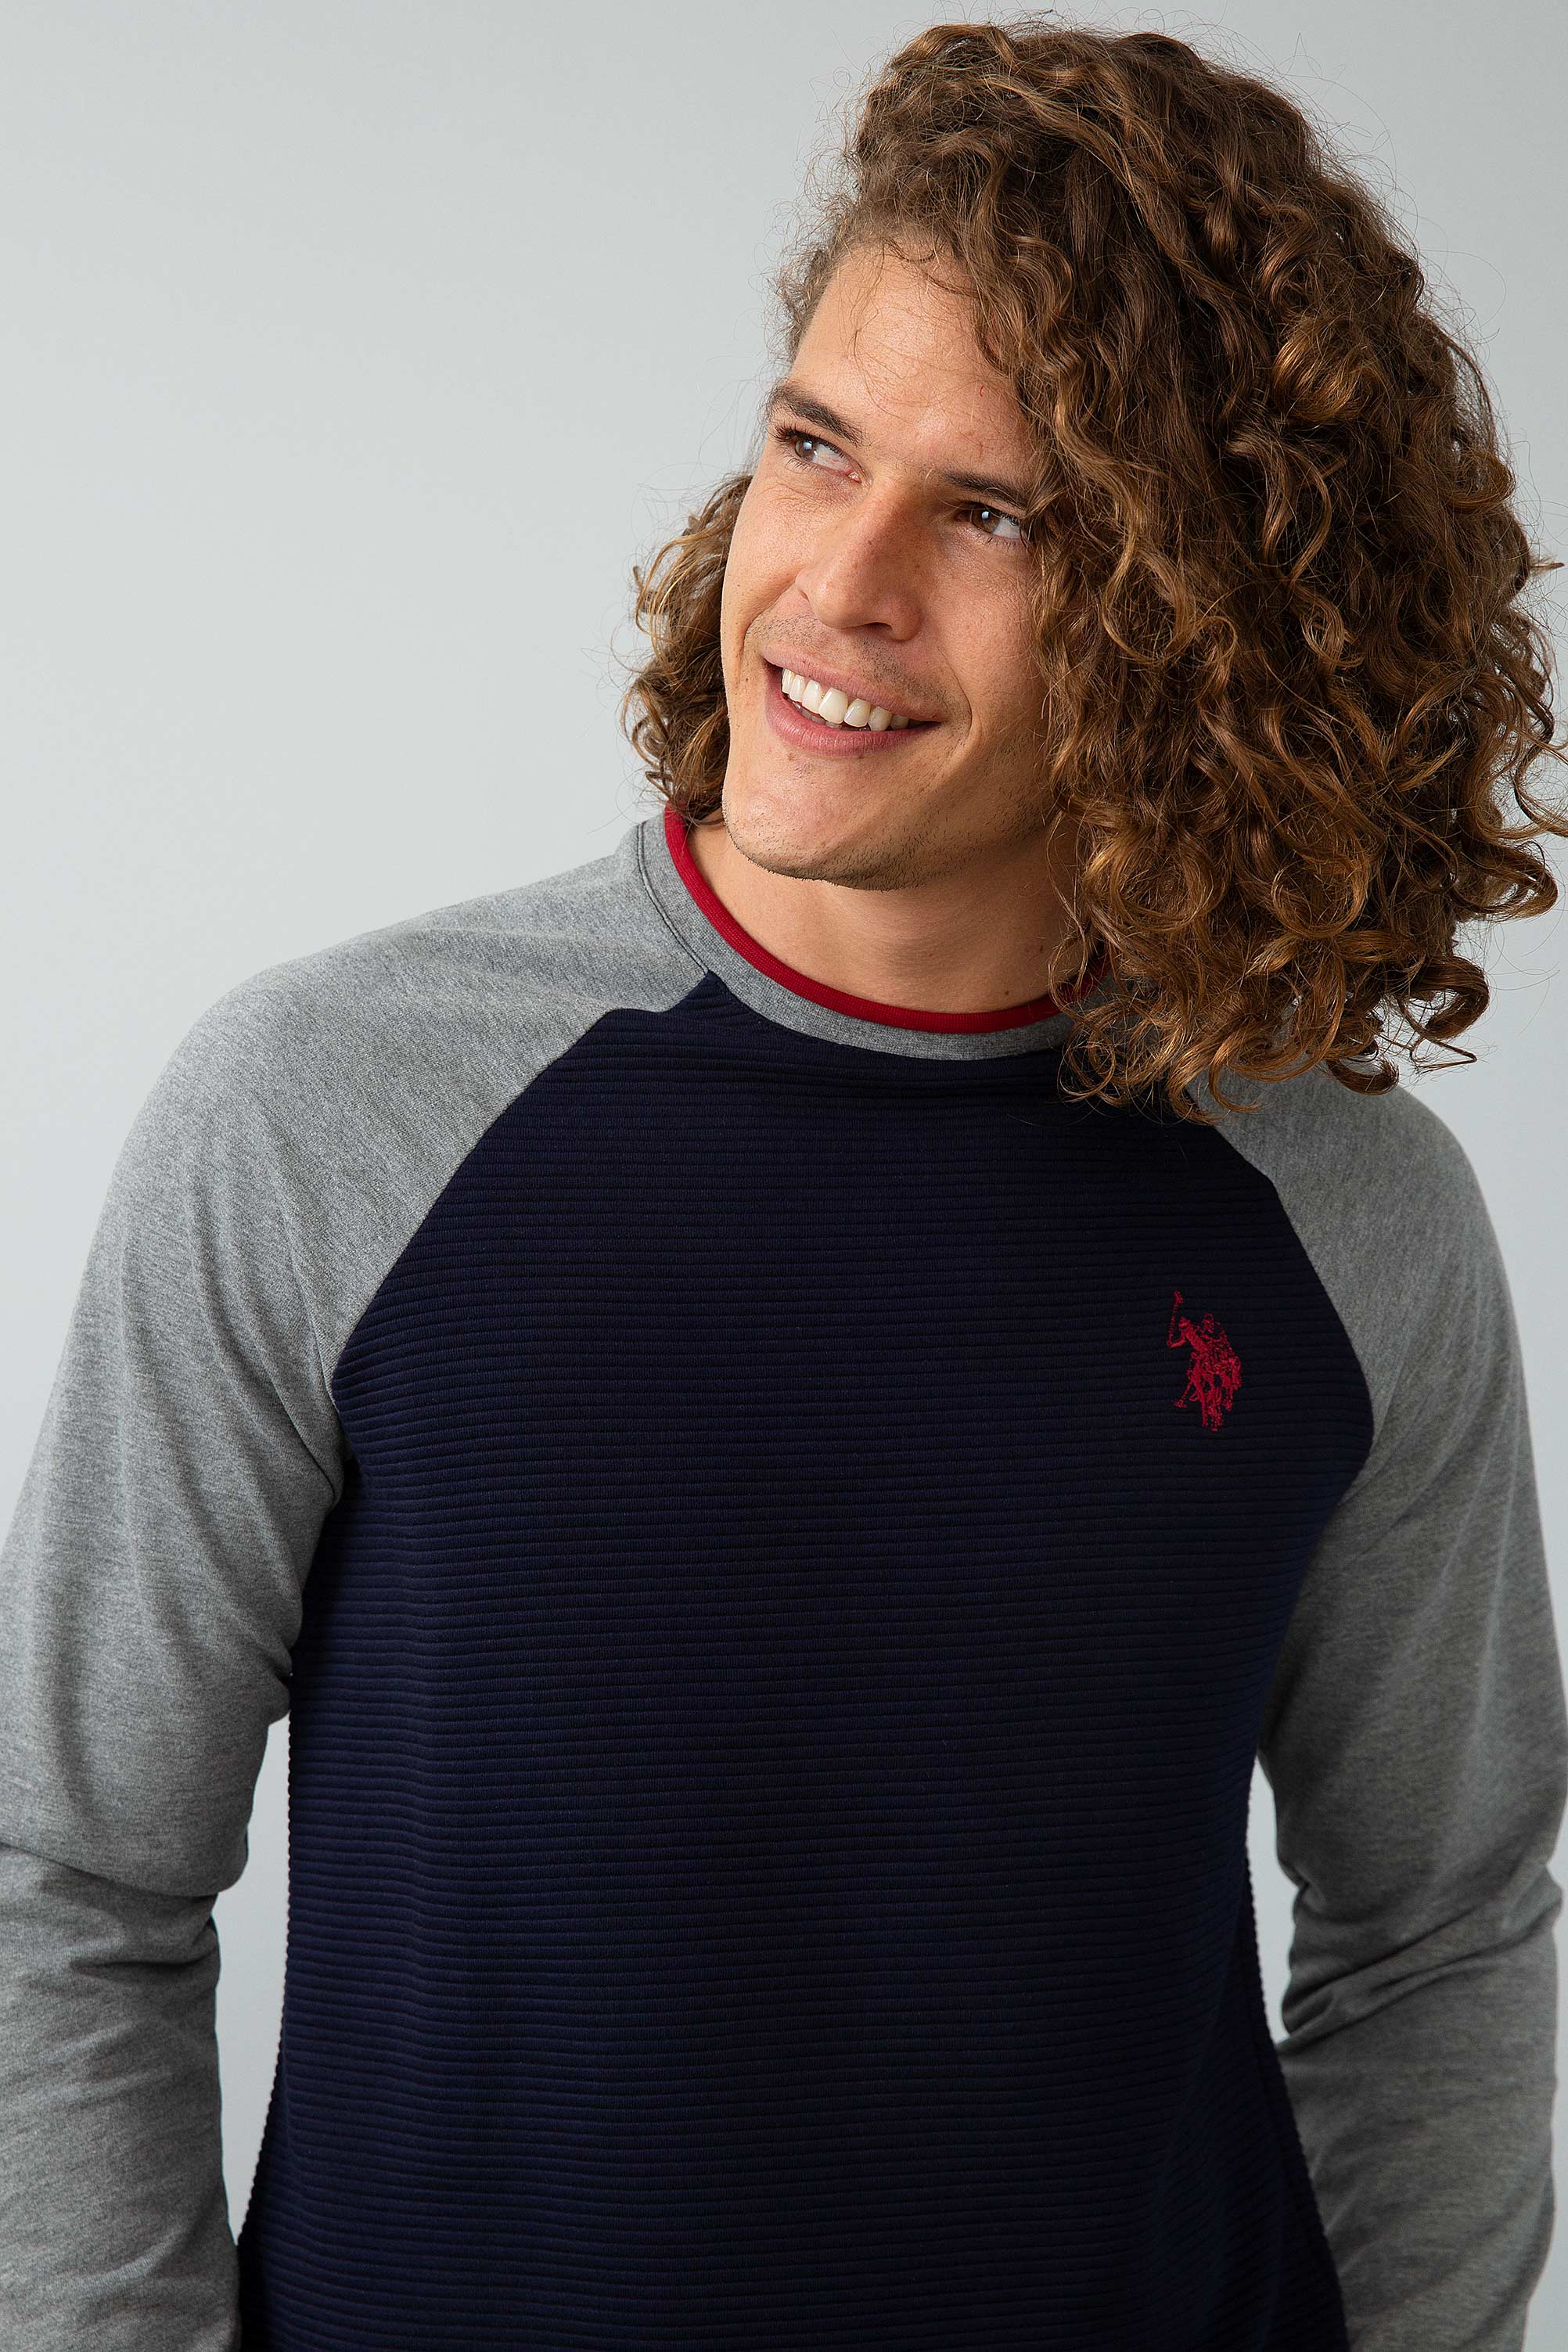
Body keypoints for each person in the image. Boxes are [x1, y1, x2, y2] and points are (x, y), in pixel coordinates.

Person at [2, 17, 1565, 2350]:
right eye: (816, 445)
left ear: (1202, 622)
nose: (839, 580)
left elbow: (1439, 1928)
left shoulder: (1348, 1215)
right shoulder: (328, 1111)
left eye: (998, 514)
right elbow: (60, 1888)